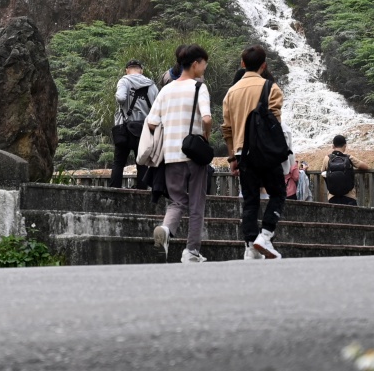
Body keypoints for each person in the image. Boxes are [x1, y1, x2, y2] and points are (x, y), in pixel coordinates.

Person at [144, 43, 214, 263]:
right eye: (203, 64)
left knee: (176, 202)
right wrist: (206, 137)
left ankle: (166, 229)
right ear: (195, 64)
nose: (204, 69)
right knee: (196, 203)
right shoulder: (198, 87)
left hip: (171, 156)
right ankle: (191, 251)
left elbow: (152, 123)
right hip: (194, 154)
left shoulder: (166, 89)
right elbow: (207, 118)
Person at [221, 45, 285, 259]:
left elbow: (227, 129)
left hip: (242, 152)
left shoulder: (231, 92)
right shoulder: (271, 88)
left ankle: (250, 247)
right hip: (265, 151)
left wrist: (232, 157)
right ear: (264, 65)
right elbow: (275, 122)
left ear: (242, 64)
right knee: (278, 192)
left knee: (250, 199)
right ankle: (265, 235)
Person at [111, 60, 158, 188]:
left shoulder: (124, 81)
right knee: (141, 162)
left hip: (125, 129)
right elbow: (158, 108)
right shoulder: (151, 85)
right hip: (143, 130)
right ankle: (141, 194)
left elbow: (121, 98)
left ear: (127, 70)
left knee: (119, 162)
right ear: (141, 70)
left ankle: (114, 192)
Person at [325, 135, 367, 205]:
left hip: (332, 197)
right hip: (349, 197)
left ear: (333, 146)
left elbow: (323, 171)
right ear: (345, 146)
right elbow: (365, 167)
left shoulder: (327, 158)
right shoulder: (349, 158)